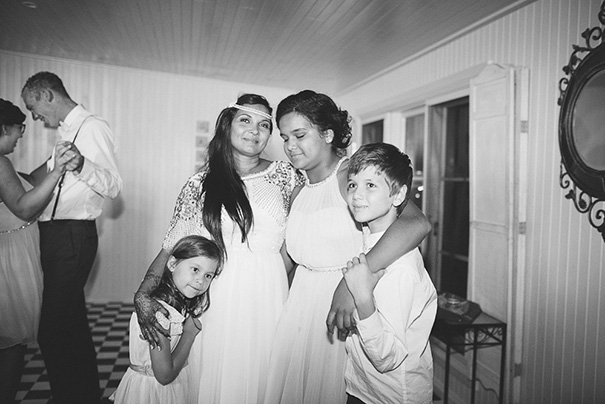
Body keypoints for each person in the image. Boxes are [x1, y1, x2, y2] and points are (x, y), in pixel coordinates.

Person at [263, 90, 432, 404]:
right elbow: (290, 256)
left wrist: (349, 284)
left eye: (299, 135)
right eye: (285, 138)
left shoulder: (350, 176)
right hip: (299, 308)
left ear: (327, 134)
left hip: (341, 306)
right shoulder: (299, 190)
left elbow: (417, 223)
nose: (290, 146)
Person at [134, 93, 304, 404]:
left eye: (264, 125)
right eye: (245, 120)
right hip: (215, 295)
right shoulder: (200, 184)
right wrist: (143, 294)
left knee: (265, 376)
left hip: (268, 294)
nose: (254, 130)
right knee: (214, 377)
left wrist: (275, 279)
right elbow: (171, 247)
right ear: (227, 125)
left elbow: (297, 241)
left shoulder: (287, 176)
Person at [21, 71, 123, 404]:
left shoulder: (92, 127)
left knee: (50, 330)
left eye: (34, 107)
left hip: (73, 236)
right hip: (54, 234)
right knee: (72, 326)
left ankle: (68, 397)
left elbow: (113, 186)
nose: (35, 117)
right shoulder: (65, 131)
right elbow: (42, 178)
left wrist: (81, 164)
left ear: (47, 95)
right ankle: (86, 396)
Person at [341, 143, 437, 404]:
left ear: (398, 195)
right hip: (362, 387)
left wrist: (362, 297)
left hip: (393, 395)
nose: (357, 195)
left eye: (371, 185)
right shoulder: (368, 240)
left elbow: (388, 357)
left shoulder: (401, 268)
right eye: (353, 184)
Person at [0, 99, 75, 404]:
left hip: (11, 254)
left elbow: (28, 181)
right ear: (3, 127)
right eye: (19, 128)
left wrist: (55, 159)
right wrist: (58, 172)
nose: (22, 133)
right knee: (11, 344)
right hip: (9, 261)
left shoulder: (4, 163)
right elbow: (23, 206)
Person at [112, 235, 222, 404]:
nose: (200, 280)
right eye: (195, 269)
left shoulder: (179, 303)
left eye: (208, 275)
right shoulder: (159, 312)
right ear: (172, 264)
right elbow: (164, 375)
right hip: (152, 393)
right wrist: (189, 334)